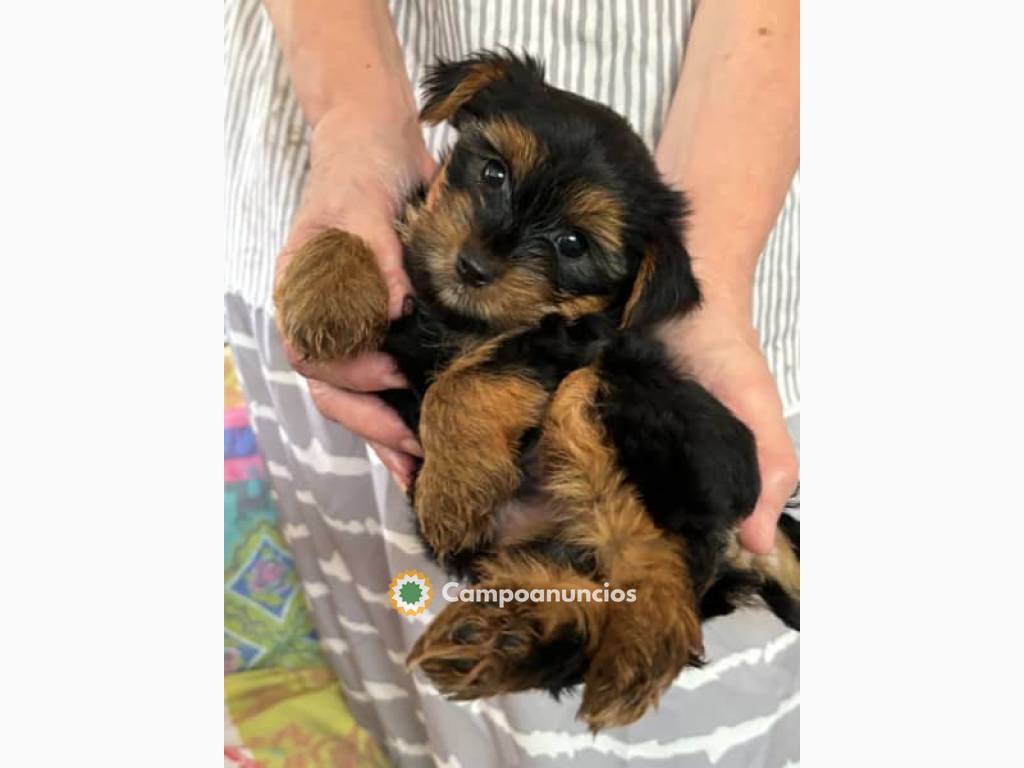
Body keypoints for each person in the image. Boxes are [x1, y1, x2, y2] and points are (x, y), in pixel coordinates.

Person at [226, 1, 799, 765]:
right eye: (491, 173)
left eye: (569, 245)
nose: (484, 255)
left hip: (625, 449)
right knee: (409, 672)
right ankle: (559, 618)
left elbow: (558, 374)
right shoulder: (416, 213)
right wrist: (355, 132)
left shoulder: (609, 320)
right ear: (461, 119)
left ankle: (652, 589)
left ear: (634, 284)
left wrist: (715, 280)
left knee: (596, 399)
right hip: (319, 125)